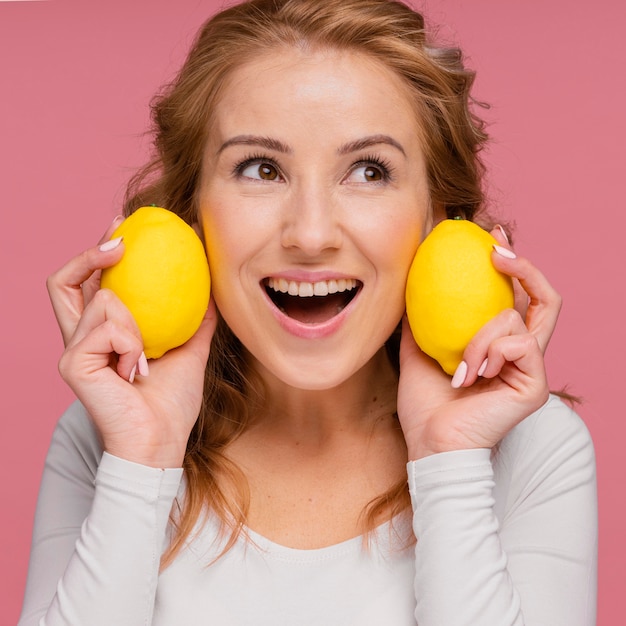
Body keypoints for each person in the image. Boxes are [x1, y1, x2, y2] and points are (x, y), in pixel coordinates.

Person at [19, 0, 597, 624]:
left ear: (439, 218)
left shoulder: (531, 445)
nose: (311, 234)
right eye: (261, 169)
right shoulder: (107, 437)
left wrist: (449, 457)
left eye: (370, 171)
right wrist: (141, 457)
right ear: (192, 217)